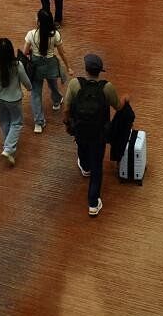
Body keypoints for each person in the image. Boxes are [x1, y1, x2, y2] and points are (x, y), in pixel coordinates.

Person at [64, 53, 127, 217]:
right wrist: (125, 99)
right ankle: (93, 202)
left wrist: (67, 124)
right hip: (99, 133)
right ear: (100, 71)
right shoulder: (107, 87)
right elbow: (118, 107)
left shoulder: (74, 84)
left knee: (81, 146)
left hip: (80, 128)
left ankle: (84, 166)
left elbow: (67, 107)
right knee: (97, 166)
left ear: (86, 69)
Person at [0, 38, 31, 165]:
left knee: (4, 122)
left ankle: (8, 146)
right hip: (14, 99)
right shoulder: (17, 65)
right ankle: (8, 148)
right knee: (17, 123)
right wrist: (29, 87)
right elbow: (26, 81)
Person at [24, 9, 69, 132]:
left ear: (38, 22)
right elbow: (61, 52)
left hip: (36, 65)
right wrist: (68, 66)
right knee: (52, 84)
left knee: (36, 93)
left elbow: (26, 52)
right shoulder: (55, 35)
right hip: (50, 64)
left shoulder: (31, 34)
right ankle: (56, 101)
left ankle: (39, 123)